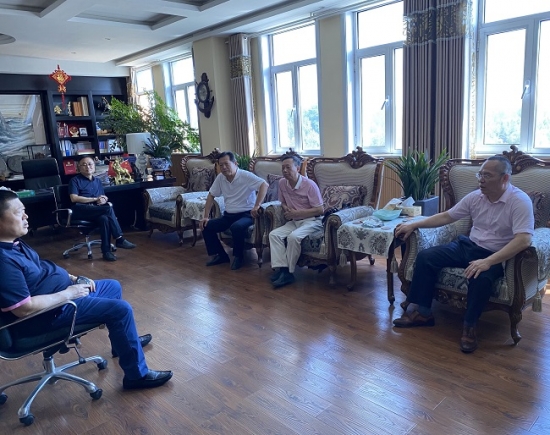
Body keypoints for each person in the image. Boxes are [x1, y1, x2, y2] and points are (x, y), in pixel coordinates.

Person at [0, 189, 172, 390]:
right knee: (120, 310)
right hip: (45, 316)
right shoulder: (3, 262)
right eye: (18, 212)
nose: (26, 216)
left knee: (112, 286)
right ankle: (137, 376)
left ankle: (123, 344)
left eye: (24, 210)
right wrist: (69, 293)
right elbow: (24, 309)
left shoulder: (15, 244)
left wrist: (73, 279)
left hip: (59, 299)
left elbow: (43, 270)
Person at [392, 156, 534, 353]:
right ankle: (423, 313)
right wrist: (414, 224)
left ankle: (470, 326)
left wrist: (488, 261)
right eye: (480, 174)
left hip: (495, 254)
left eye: (487, 175)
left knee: (481, 277)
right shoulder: (476, 197)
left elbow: (524, 239)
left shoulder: (519, 201)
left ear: (505, 178)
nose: (481, 180)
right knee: (426, 257)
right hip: (467, 245)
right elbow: (447, 216)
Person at [200, 151, 268, 270]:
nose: (223, 167)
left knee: (236, 227)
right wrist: (205, 216)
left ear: (235, 163)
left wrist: (257, 205)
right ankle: (221, 255)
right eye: (221, 165)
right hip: (229, 215)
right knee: (206, 226)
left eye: (226, 164)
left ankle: (238, 257)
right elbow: (211, 195)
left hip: (247, 215)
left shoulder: (245, 176)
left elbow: (264, 185)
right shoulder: (221, 178)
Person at [269, 155, 324, 288]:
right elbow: (282, 202)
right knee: (274, 235)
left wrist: (297, 213)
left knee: (293, 237)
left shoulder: (309, 185)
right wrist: (286, 208)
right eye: (283, 168)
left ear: (298, 168)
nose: (285, 171)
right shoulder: (282, 183)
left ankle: (288, 272)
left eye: (288, 167)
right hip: (294, 221)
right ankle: (282, 269)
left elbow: (320, 210)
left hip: (312, 221)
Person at [69, 156, 136, 262]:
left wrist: (104, 199)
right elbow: (74, 198)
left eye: (90, 164)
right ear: (79, 168)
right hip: (80, 210)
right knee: (108, 209)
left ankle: (106, 252)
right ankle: (119, 238)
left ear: (94, 166)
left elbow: (102, 196)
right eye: (84, 165)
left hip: (95, 209)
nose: (88, 167)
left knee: (104, 218)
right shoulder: (74, 180)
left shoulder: (97, 181)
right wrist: (95, 199)